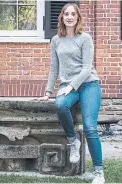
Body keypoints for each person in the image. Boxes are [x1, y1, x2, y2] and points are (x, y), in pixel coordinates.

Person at [38, 3, 105, 184]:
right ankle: (73, 141)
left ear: (77, 17)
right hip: (68, 85)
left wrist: (71, 86)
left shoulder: (85, 38)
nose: (69, 17)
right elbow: (54, 68)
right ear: (62, 17)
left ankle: (98, 172)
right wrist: (48, 91)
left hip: (89, 84)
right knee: (60, 104)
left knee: (90, 127)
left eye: (73, 14)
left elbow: (86, 68)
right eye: (66, 14)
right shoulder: (56, 40)